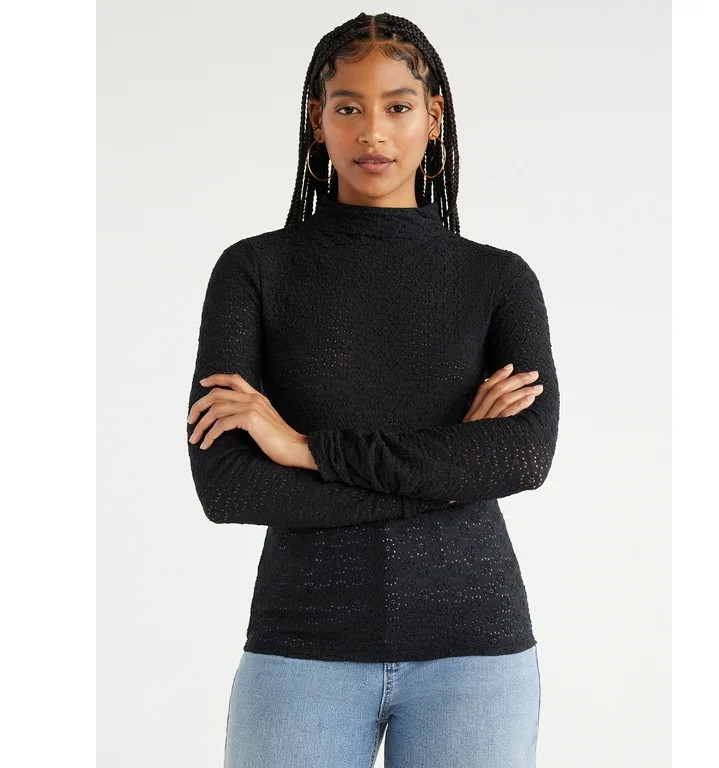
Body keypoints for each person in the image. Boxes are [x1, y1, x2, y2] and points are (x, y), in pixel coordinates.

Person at [186, 11, 559, 768]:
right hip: (302, 646)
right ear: (316, 119)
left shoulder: (497, 280)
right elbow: (227, 486)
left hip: (474, 653)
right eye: (348, 107)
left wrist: (302, 449)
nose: (373, 132)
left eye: (397, 105)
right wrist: (449, 476)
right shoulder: (254, 272)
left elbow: (522, 458)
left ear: (433, 117)